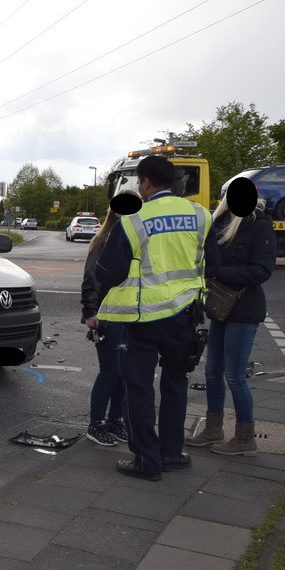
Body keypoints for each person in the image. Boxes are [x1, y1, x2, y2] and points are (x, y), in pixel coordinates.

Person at [96, 156, 220, 481]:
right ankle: (171, 454)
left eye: (139, 182)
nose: (139, 187)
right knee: (176, 383)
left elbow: (108, 271)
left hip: (145, 318)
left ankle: (147, 461)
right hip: (185, 317)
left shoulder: (133, 219)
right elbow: (215, 267)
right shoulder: (201, 216)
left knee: (139, 389)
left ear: (147, 183)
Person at [185, 196, 275, 456]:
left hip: (244, 309)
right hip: (220, 308)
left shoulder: (259, 225)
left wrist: (218, 272)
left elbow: (262, 270)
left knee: (234, 375)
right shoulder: (222, 221)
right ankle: (213, 430)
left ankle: (245, 438)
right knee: (212, 372)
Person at [80, 208, 127, 446]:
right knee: (111, 371)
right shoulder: (106, 240)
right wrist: (90, 312)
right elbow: (91, 277)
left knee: (123, 372)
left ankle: (115, 419)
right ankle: (96, 424)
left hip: (127, 313)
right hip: (107, 314)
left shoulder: (129, 235)